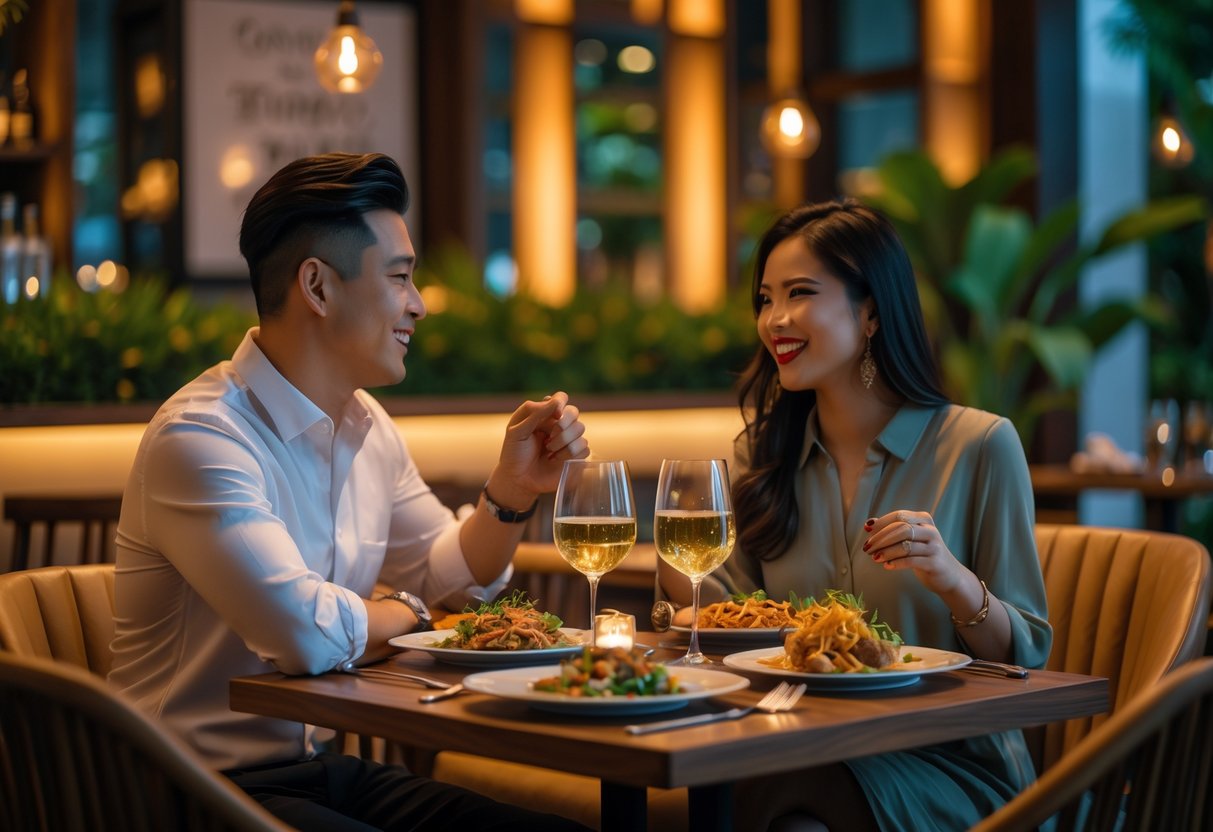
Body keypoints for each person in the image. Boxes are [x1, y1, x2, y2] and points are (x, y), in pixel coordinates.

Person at [108, 152, 591, 832]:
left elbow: (447, 578)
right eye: (399, 277)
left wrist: (510, 492)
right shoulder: (201, 437)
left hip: (319, 769)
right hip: (186, 789)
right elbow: (303, 633)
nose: (419, 304)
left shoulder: (368, 425)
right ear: (317, 287)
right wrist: (407, 611)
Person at [659, 200, 1052, 832]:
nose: (774, 319)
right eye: (765, 299)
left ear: (870, 313)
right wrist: (674, 570)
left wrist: (951, 577)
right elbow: (721, 615)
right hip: (797, 743)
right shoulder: (762, 456)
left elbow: (1025, 654)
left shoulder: (981, 445)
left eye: (800, 293)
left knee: (765, 791)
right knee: (743, 784)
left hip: (947, 763)